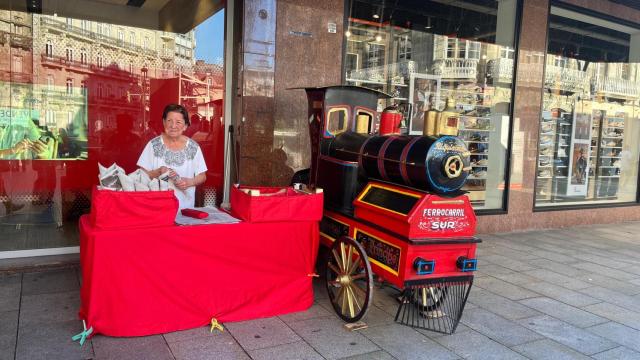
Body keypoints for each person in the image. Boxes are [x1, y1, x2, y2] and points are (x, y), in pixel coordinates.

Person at [137, 104, 207, 209]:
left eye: (178, 122)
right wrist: (158, 171)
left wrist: (190, 182)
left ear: (185, 126)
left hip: (185, 208)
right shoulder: (153, 145)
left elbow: (202, 176)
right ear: (164, 122)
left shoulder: (193, 147)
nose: (173, 126)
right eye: (169, 121)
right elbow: (141, 176)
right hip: (156, 208)